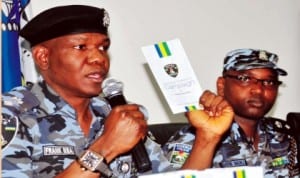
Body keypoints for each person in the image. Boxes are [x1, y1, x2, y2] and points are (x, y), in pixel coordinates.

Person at [1, 5, 174, 178]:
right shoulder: (11, 114)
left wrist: (202, 135)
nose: (99, 58)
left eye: (103, 48)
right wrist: (104, 147)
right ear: (43, 57)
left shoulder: (115, 113)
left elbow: (169, 175)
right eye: (81, 47)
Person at [163, 48, 300, 177]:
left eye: (269, 82)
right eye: (245, 79)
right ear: (221, 86)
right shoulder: (192, 139)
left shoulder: (287, 136)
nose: (258, 90)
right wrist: (206, 139)